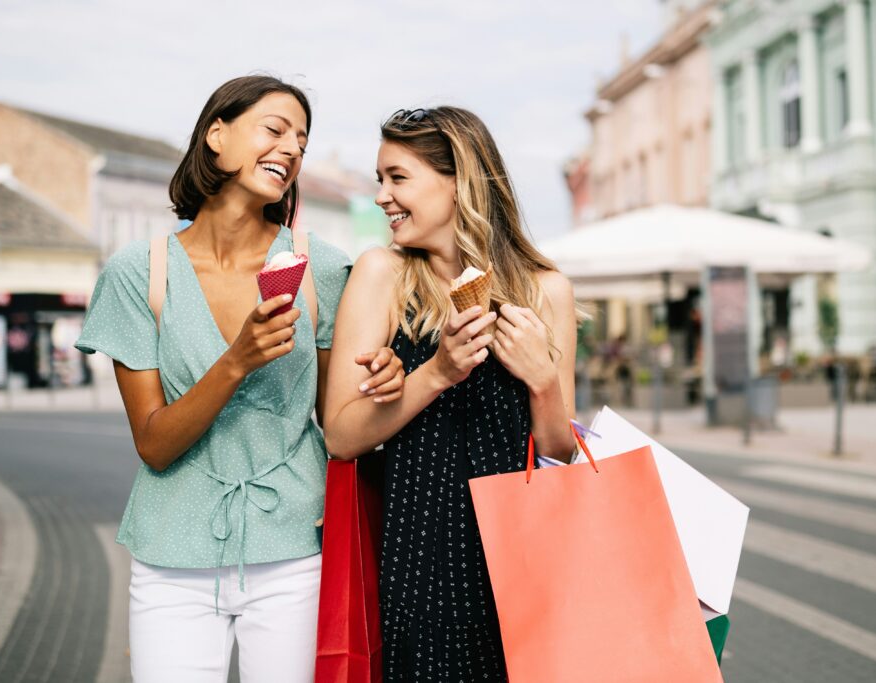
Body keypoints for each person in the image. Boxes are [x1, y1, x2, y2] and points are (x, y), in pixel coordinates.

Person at [74, 76, 404, 683]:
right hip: (171, 558)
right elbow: (154, 443)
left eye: (302, 141)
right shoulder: (138, 273)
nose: (292, 149)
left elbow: (340, 426)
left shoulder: (323, 269)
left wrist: (387, 378)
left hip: (295, 549)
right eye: (275, 129)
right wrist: (237, 361)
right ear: (216, 135)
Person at [323, 106, 578, 681]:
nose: (382, 196)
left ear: (459, 181)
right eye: (380, 179)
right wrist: (436, 372)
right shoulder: (382, 275)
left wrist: (542, 381)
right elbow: (339, 437)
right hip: (421, 556)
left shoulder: (546, 291)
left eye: (398, 177)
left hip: (521, 556)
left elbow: (560, 452)